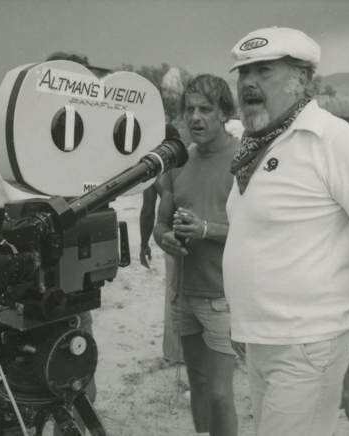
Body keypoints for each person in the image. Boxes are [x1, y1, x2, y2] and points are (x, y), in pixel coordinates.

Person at [223, 27, 349, 436]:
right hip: (262, 342)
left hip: (308, 347)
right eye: (243, 72)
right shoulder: (257, 143)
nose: (248, 82)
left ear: (302, 79)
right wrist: (246, 323)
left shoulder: (334, 140)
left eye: (264, 70)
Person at [0, 50, 97, 435]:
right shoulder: (20, 146)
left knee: (65, 385)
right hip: (42, 290)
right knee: (40, 392)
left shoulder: (6, 143)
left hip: (45, 289)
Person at [153, 74, 240, 436]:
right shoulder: (178, 163)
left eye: (205, 109)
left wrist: (206, 229)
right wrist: (165, 239)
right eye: (189, 109)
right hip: (184, 294)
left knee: (220, 394)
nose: (195, 117)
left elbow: (258, 235)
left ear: (224, 113)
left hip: (222, 297)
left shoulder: (243, 161)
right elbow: (160, 225)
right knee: (198, 383)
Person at [139, 124, 184, 364]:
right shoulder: (189, 162)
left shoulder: (153, 171)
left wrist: (144, 244)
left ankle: (175, 353)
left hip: (172, 236)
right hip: (195, 232)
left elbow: (148, 210)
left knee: (175, 292)